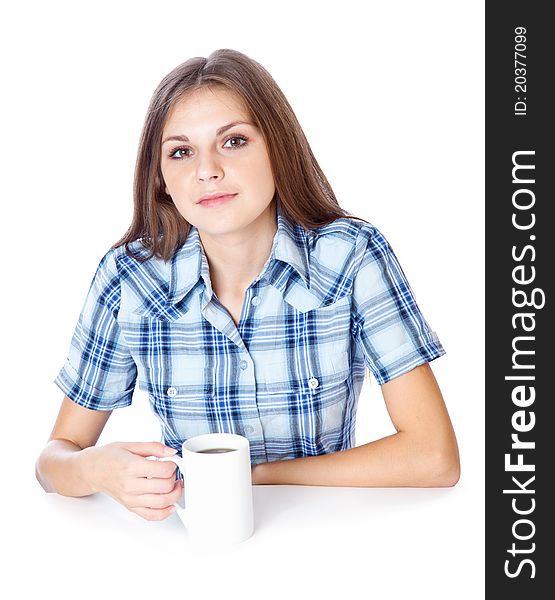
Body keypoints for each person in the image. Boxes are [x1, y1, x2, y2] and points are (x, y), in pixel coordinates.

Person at [35, 48, 460, 522]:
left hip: (327, 533)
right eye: (181, 152)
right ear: (162, 181)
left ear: (276, 147)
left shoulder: (350, 256)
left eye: (233, 141)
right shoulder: (128, 278)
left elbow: (433, 458)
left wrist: (251, 475)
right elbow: (53, 464)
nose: (207, 170)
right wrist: (96, 469)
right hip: (195, 546)